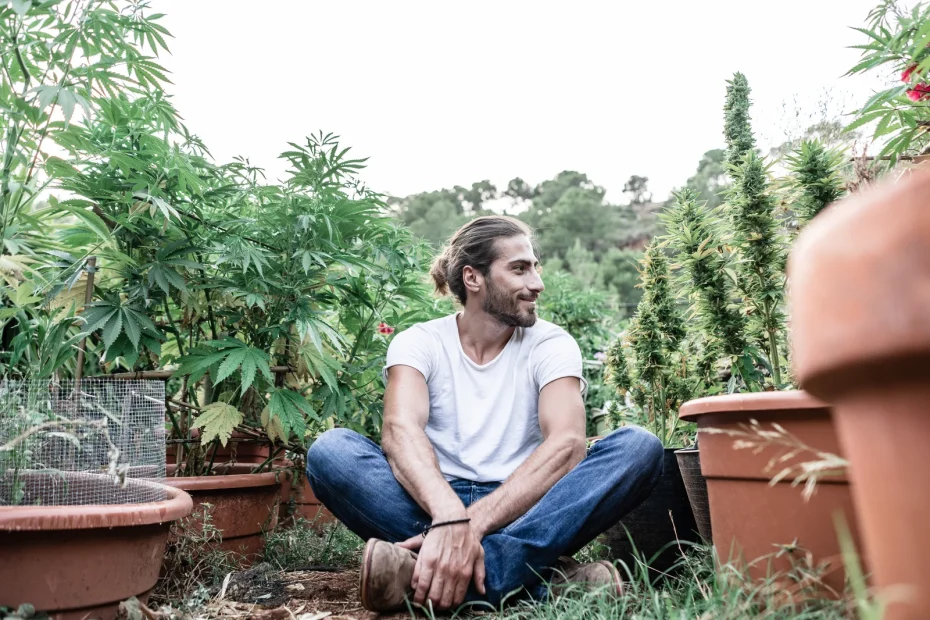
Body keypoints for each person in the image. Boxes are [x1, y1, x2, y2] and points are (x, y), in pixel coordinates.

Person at [306, 215, 664, 612]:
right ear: (473, 278)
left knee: (639, 448)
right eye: (519, 269)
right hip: (430, 500)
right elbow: (400, 430)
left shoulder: (552, 344)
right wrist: (447, 515)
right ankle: (537, 581)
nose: (537, 283)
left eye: (534, 267)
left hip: (526, 506)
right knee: (331, 451)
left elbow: (567, 444)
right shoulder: (419, 342)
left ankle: (420, 573)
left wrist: (466, 528)